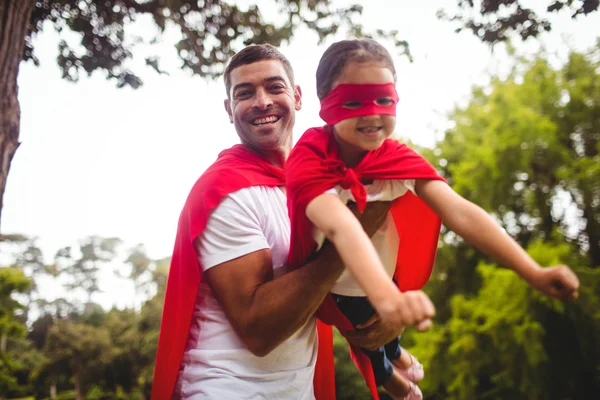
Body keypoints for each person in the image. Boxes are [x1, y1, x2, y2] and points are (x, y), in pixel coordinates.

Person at [285, 38, 581, 400]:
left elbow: (459, 211)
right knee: (365, 328)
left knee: (389, 332)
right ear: (326, 107)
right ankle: (391, 376)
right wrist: (385, 298)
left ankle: (394, 352)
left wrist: (533, 271)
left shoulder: (395, 156)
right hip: (333, 287)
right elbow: (340, 225)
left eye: (383, 99)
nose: (372, 113)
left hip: (385, 274)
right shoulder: (310, 156)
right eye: (353, 102)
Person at [150, 44, 428, 400]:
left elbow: (327, 289)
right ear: (229, 109)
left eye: (274, 87)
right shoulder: (224, 190)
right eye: (245, 93)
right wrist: (354, 231)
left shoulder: (315, 183)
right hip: (225, 388)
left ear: (297, 97)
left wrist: (384, 317)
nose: (262, 101)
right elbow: (258, 330)